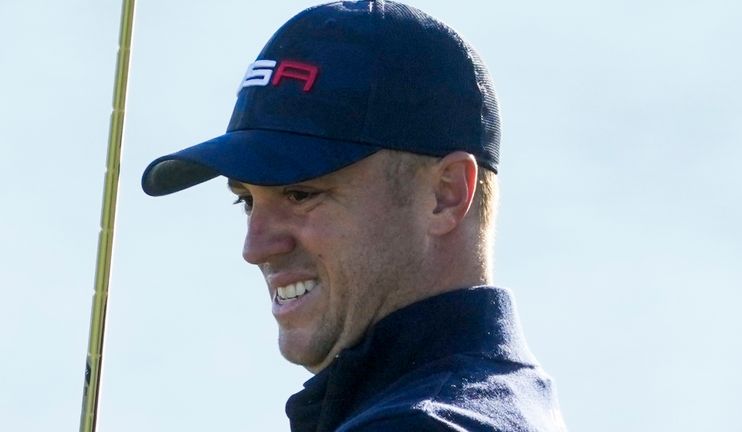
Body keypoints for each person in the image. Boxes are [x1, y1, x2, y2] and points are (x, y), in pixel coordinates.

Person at [142, 1, 567, 430]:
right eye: (247, 201)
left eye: (300, 193)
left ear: (445, 194)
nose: (255, 248)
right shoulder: (503, 399)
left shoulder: (421, 424)